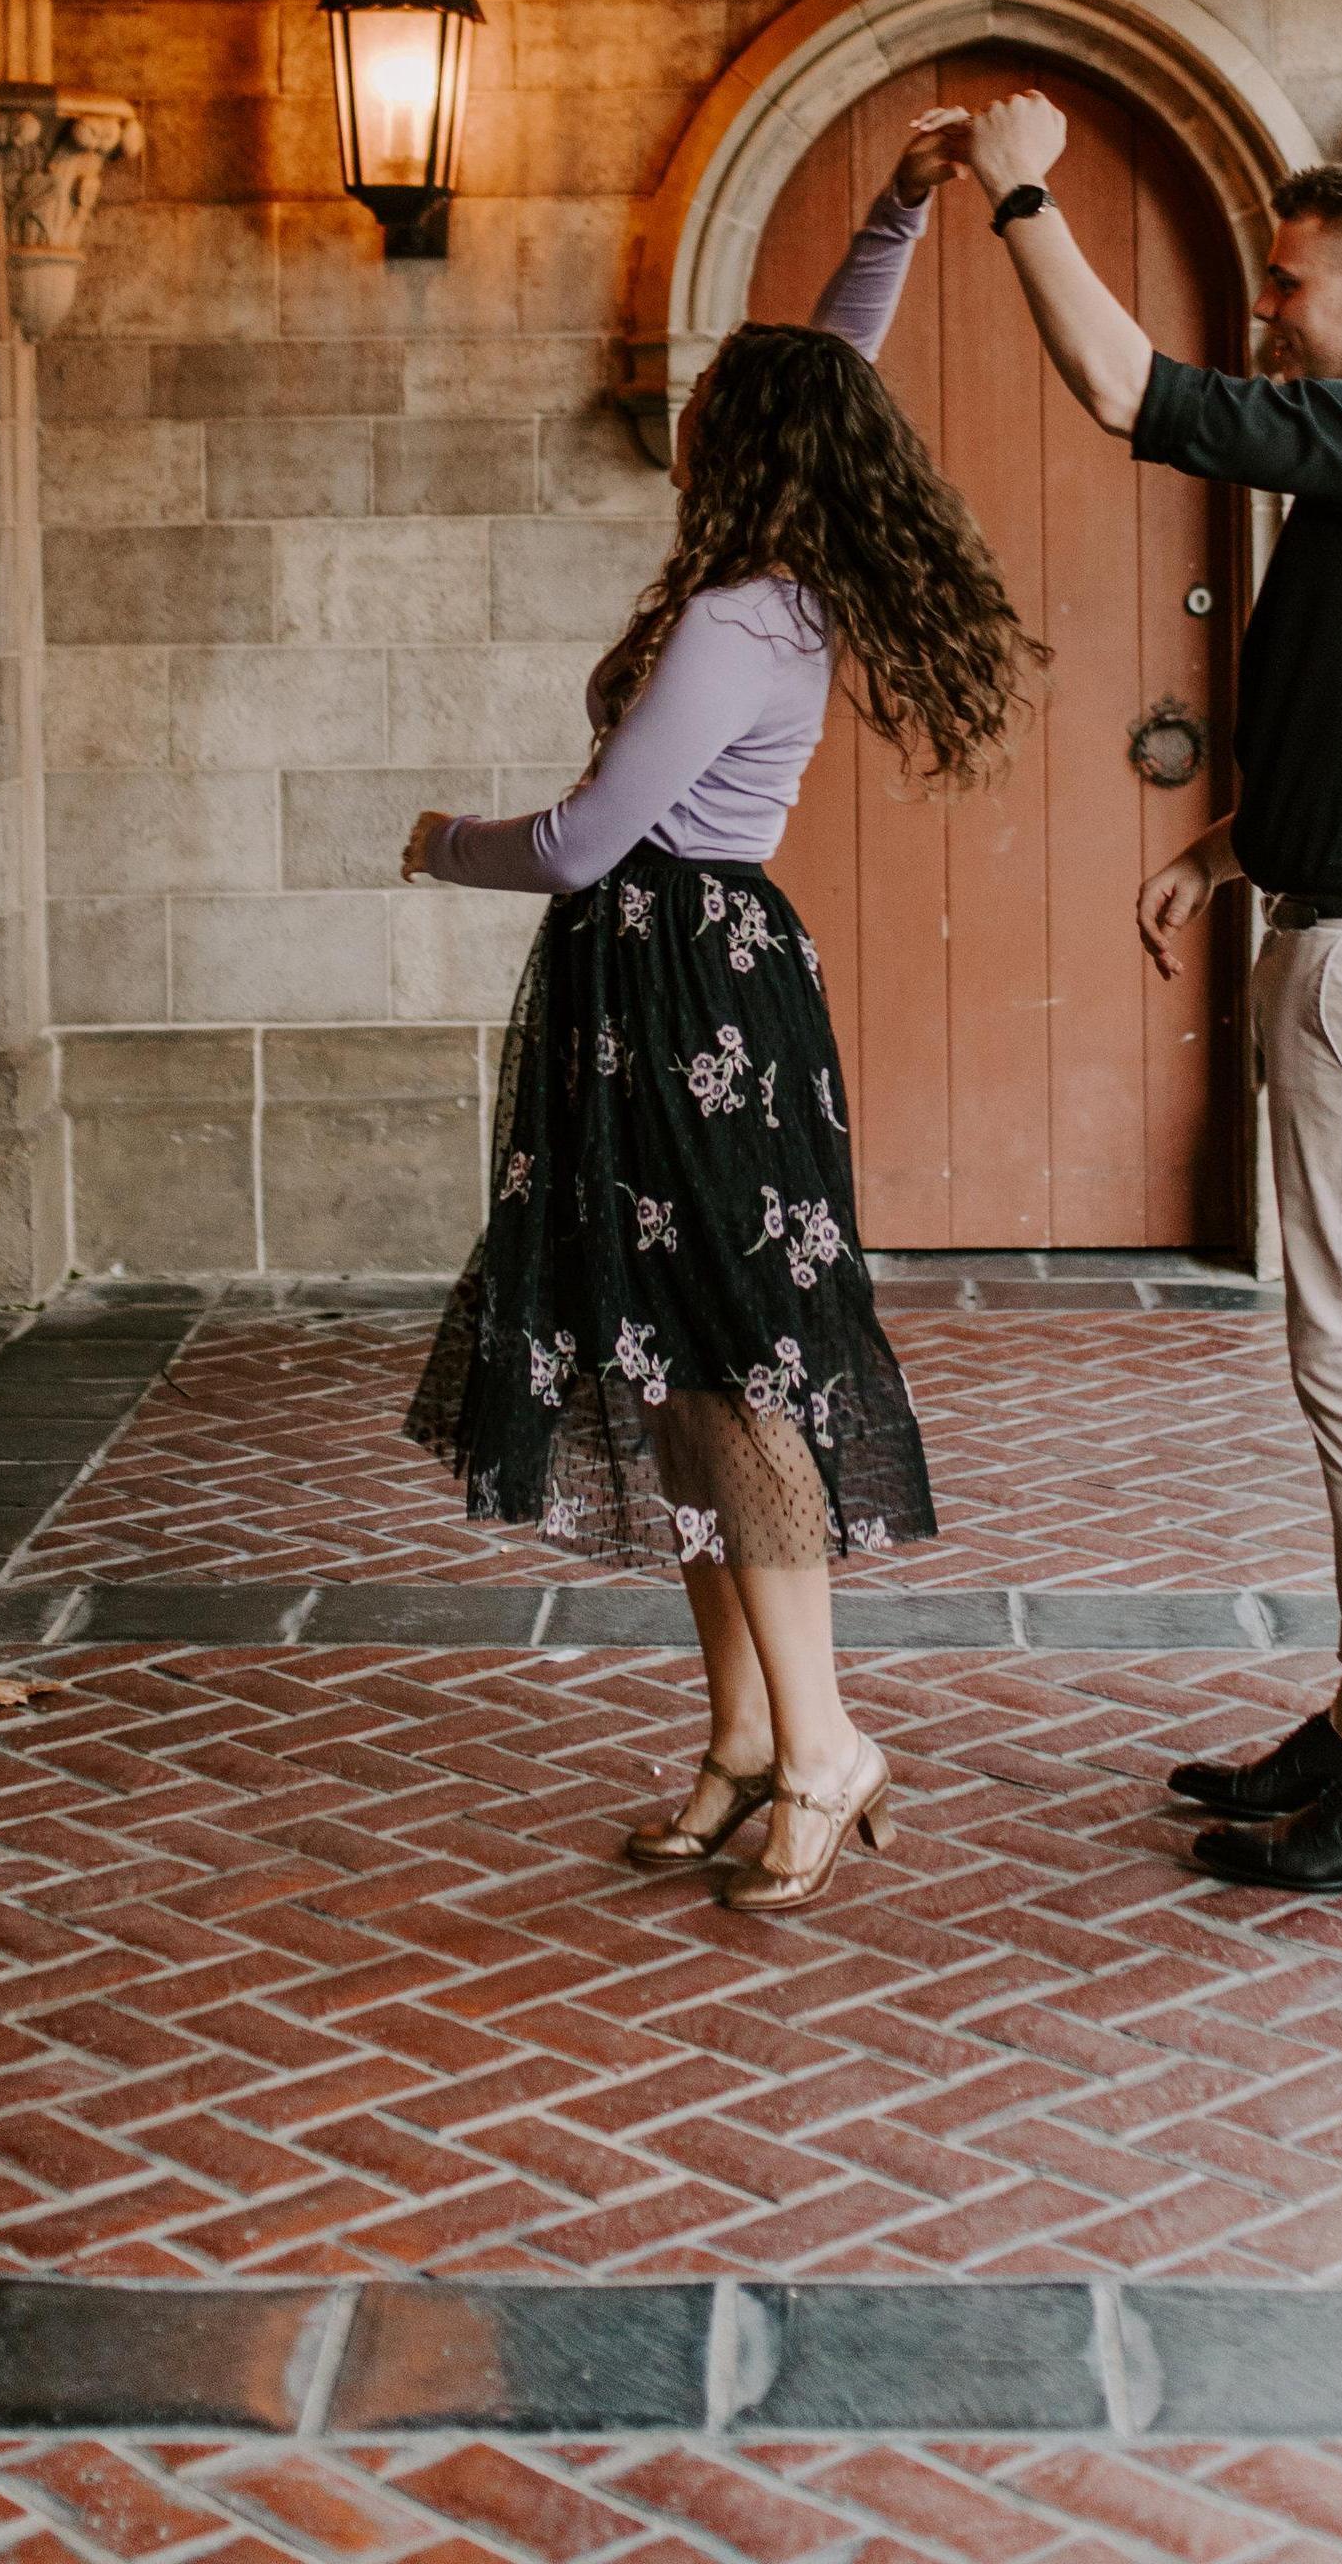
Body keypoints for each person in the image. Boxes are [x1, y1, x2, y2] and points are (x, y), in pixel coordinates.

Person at [399, 112, 1038, 1914]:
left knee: (735, 1375)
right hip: (672, 985)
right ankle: (745, 1740)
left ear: (739, 444)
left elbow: (593, 837)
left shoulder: (740, 619)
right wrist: (899, 211)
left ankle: (826, 1739)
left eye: (708, 399)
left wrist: (443, 842)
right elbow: (830, 361)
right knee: (680, 1379)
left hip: (682, 988)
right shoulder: (766, 581)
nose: (682, 410)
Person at [957, 96, 1342, 1899]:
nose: (1268, 319)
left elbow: (1133, 393)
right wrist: (1225, 844)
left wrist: (1020, 190)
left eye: (1287, 291)